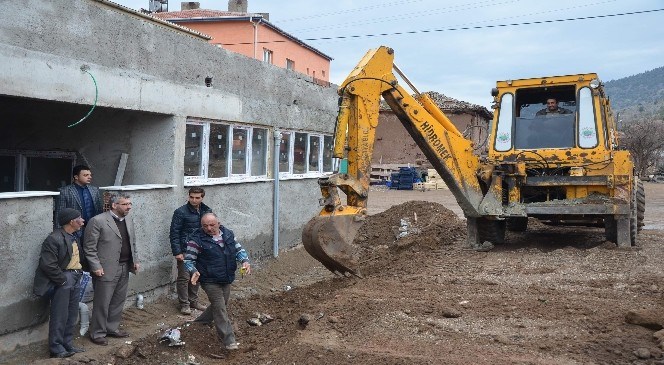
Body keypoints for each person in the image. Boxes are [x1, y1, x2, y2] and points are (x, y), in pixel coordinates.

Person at [184, 213, 251, 351]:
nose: (208, 228)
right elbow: (188, 260)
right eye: (205, 226)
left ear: (218, 223)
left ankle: (202, 321)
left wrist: (245, 261)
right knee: (220, 308)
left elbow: (238, 249)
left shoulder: (228, 234)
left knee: (221, 304)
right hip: (209, 280)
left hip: (226, 277)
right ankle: (229, 340)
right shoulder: (196, 240)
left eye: (212, 225)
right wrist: (193, 271)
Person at [84, 193, 140, 346]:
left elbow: (132, 241)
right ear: (114, 205)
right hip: (105, 269)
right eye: (125, 204)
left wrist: (135, 260)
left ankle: (111, 328)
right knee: (103, 302)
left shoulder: (128, 219)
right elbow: (89, 248)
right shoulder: (98, 221)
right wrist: (95, 266)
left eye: (129, 203)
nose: (129, 207)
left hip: (124, 266)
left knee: (117, 300)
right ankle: (97, 333)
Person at [33, 208, 87, 358]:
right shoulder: (54, 238)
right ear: (71, 221)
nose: (83, 221)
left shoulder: (73, 236)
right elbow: (48, 264)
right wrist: (63, 280)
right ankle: (56, 348)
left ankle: (67, 344)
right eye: (79, 219)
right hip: (64, 278)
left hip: (75, 277)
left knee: (71, 313)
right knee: (60, 314)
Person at [169, 187, 212, 314]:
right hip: (185, 249)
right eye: (191, 197)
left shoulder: (206, 211)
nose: (194, 200)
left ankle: (193, 301)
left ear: (202, 198)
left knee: (197, 275)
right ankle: (184, 304)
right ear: (188, 196)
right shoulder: (180, 212)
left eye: (197, 197)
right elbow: (174, 233)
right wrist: (177, 252)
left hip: (201, 249)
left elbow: (209, 230)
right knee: (184, 277)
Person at [55, 165, 104, 238]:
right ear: (76, 177)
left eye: (90, 175)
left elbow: (99, 210)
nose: (89, 177)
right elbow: (59, 214)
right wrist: (60, 234)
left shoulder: (94, 190)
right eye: (85, 175)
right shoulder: (65, 191)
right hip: (73, 230)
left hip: (93, 229)